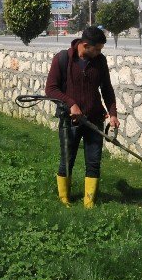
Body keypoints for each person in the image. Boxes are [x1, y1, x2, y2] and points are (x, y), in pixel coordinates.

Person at [44, 26, 119, 208]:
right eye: (97, 49)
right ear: (85, 45)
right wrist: (72, 104)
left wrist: (113, 113)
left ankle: (89, 202)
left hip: (94, 119)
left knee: (93, 162)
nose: (99, 53)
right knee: (67, 160)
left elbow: (107, 89)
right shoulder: (62, 59)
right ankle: (64, 200)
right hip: (70, 121)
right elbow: (51, 89)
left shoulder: (99, 61)